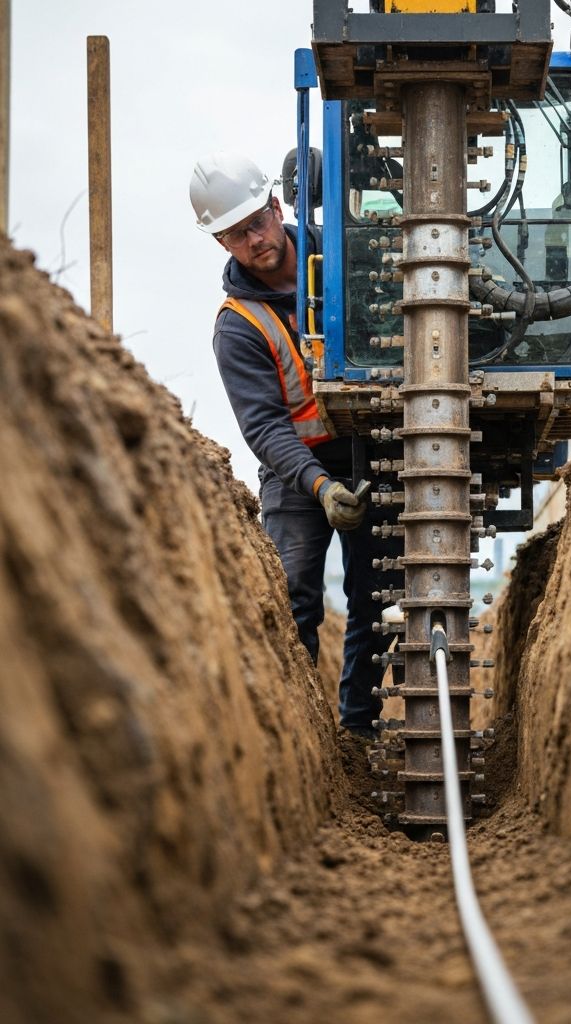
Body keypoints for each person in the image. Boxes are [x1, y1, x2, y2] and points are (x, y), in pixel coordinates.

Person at [189, 152, 400, 740]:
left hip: (372, 449)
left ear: (276, 206)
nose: (255, 239)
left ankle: (357, 729)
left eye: (258, 221)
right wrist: (320, 485)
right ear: (221, 243)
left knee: (373, 596)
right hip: (297, 473)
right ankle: (299, 738)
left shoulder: (345, 257)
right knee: (292, 598)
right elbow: (266, 428)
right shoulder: (237, 325)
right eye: (236, 233)